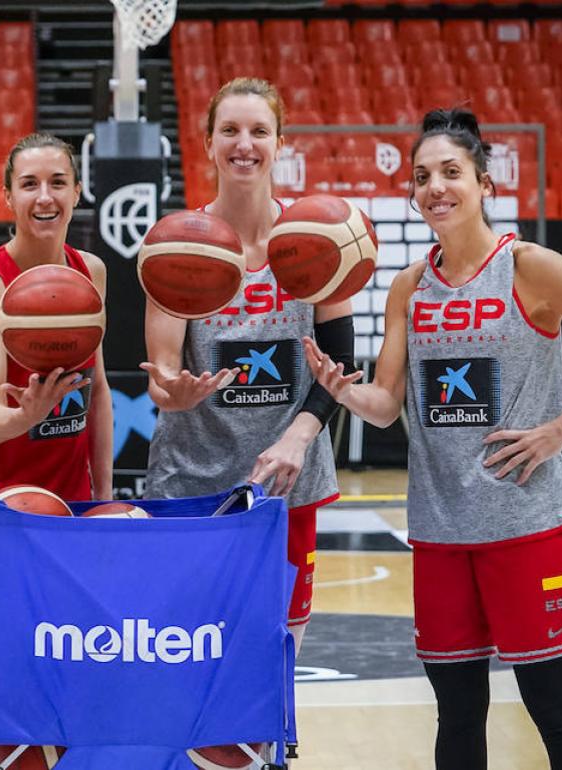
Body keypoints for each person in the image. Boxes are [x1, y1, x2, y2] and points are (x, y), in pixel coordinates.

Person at [304, 108, 562, 770]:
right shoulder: (409, 288)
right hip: (442, 531)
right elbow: (385, 407)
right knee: (458, 713)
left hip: (527, 523)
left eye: (450, 172)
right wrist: (341, 390)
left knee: (553, 707)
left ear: (483, 183)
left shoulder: (531, 268)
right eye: (421, 177)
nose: (435, 187)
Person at [141, 77, 356, 654]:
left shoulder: (316, 238)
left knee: (275, 655)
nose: (245, 143)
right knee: (189, 649)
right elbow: (161, 370)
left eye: (259, 131)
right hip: (192, 479)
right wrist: (172, 392)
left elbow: (341, 363)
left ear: (280, 142)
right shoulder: (178, 244)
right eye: (230, 130)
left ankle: (270, 750)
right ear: (208, 143)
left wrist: (301, 435)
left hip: (287, 479)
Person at [0, 133, 113, 770]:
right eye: (29, 184)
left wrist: (103, 497)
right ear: (6, 196)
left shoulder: (91, 273)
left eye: (57, 182)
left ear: (77, 192)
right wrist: (29, 412)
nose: (44, 196)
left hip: (65, 510)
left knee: (64, 673)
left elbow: (101, 393)